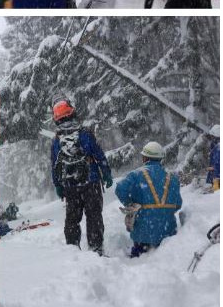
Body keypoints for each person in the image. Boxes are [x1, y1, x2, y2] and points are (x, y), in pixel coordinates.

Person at [49, 100, 113, 254]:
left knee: (72, 219)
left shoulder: (56, 140)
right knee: (94, 216)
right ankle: (96, 248)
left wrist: (58, 185)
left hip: (70, 186)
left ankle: (72, 250)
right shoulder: (85, 133)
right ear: (72, 113)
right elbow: (98, 154)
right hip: (90, 182)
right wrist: (106, 173)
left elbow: (54, 165)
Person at [115, 141, 183, 257]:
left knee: (140, 260)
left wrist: (130, 204)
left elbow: (120, 189)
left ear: (145, 158)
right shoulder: (172, 177)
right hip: (168, 235)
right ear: (160, 158)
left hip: (143, 235)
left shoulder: (136, 175)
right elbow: (177, 204)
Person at [206, 125, 220, 192]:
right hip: (214, 174)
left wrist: (216, 178)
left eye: (213, 136)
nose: (211, 138)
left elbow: (218, 164)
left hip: (217, 176)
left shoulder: (218, 148)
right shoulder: (214, 145)